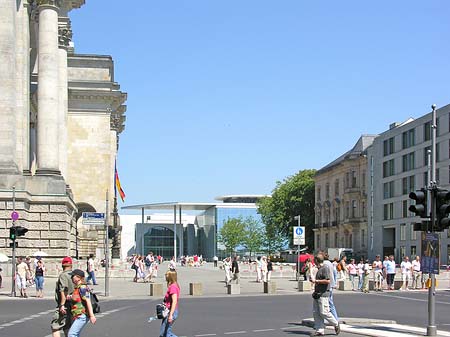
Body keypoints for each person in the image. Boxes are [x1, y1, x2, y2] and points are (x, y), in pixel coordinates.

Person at [310, 254, 340, 336]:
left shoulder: (325, 268)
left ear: (316, 260)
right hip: (317, 292)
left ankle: (336, 323)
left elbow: (327, 281)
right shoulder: (319, 268)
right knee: (316, 312)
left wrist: (316, 281)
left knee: (324, 312)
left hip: (323, 293)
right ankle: (320, 330)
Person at [67, 269, 96, 337]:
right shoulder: (78, 287)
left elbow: (87, 300)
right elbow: (77, 298)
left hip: (82, 314)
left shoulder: (82, 287)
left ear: (78, 277)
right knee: (76, 334)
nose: (71, 278)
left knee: (72, 334)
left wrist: (92, 316)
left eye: (72, 276)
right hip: (78, 314)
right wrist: (71, 297)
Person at [51, 256, 74, 337]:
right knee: (68, 327)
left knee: (55, 325)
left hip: (66, 305)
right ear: (71, 265)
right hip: (74, 305)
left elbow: (63, 290)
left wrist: (62, 305)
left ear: (62, 265)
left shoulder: (63, 275)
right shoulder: (74, 275)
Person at [160, 269, 180, 337]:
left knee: (165, 333)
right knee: (165, 332)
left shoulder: (173, 287)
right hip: (169, 311)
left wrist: (170, 315)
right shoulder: (173, 286)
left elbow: (174, 301)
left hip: (171, 311)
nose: (165, 276)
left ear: (171, 276)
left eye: (167, 274)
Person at [321, 252, 339, 322]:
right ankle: (334, 318)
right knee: (330, 302)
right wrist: (334, 283)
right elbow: (334, 273)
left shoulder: (324, 264)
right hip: (331, 284)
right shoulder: (330, 263)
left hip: (327, 285)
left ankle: (334, 319)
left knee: (327, 303)